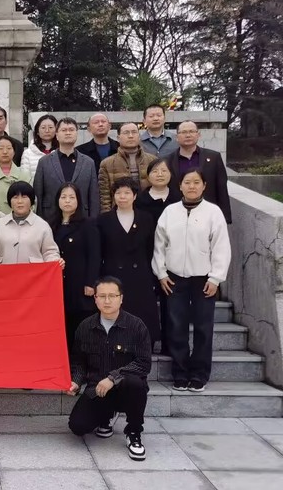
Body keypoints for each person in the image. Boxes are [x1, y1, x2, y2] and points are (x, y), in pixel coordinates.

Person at [153, 169, 231, 392]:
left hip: (203, 279)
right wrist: (161, 273)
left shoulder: (213, 212)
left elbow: (221, 247)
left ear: (204, 185)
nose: (192, 186)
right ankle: (180, 373)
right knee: (176, 326)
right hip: (174, 278)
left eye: (197, 182)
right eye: (187, 182)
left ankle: (199, 375)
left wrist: (215, 278)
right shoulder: (170, 212)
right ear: (180, 186)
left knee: (203, 327)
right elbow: (159, 245)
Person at [67, 276, 152, 462]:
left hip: (126, 388)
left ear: (121, 298)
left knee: (135, 383)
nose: (107, 301)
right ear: (95, 298)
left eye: (112, 296)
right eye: (102, 296)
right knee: (77, 426)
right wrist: (76, 381)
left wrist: (113, 378)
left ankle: (134, 433)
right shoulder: (85, 327)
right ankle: (106, 417)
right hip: (97, 389)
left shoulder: (136, 326)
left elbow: (143, 363)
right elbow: (79, 361)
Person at [97, 177, 160, 346]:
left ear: (135, 196)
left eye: (127, 193)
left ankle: (144, 345)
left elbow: (151, 248)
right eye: (118, 193)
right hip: (113, 273)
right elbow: (100, 250)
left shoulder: (146, 218)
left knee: (141, 312)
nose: (122, 197)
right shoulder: (103, 220)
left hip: (140, 274)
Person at [135, 158, 181, 354]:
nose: (160, 174)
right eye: (155, 171)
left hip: (174, 257)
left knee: (171, 303)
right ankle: (148, 341)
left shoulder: (179, 199)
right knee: (146, 302)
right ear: (148, 175)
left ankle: (171, 345)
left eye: (164, 170)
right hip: (145, 256)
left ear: (171, 174)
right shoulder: (140, 200)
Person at [51, 182, 100, 350]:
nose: (67, 201)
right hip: (58, 283)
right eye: (63, 197)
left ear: (79, 200)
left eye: (72, 197)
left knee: (79, 322)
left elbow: (94, 255)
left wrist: (91, 282)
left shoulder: (87, 224)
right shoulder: (52, 225)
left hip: (79, 282)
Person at [34, 117, 100, 225]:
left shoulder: (88, 162)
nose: (68, 133)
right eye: (64, 130)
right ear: (56, 134)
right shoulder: (44, 162)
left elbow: (93, 196)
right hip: (50, 219)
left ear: (77, 133)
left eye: (71, 130)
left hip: (82, 220)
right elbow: (38, 194)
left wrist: (93, 223)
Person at [167, 121, 232, 223]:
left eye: (192, 131)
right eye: (183, 132)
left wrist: (225, 218)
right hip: (177, 215)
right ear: (177, 137)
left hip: (208, 215)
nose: (188, 135)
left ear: (198, 134)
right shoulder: (167, 160)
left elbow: (222, 189)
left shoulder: (214, 157)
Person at [0, 181, 63, 265]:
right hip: (3, 273)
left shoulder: (42, 226)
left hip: (33, 273)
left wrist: (56, 262)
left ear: (31, 200)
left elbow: (50, 253)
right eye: (15, 197)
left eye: (24, 197)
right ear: (9, 201)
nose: (19, 201)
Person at [98, 123, 157, 212]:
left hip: (148, 210)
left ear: (139, 136)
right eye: (126, 133)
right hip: (118, 211)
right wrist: (107, 215)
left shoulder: (152, 160)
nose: (130, 136)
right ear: (118, 138)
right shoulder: (107, 163)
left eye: (134, 132)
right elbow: (104, 195)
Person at [0, 136, 33, 227]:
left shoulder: (25, 175)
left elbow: (33, 200)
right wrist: (0, 216)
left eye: (9, 148)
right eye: (1, 148)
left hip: (24, 224)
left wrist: (22, 215)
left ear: (14, 151)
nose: (5, 152)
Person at [20, 114, 58, 180]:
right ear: (37, 131)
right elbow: (24, 179)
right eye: (43, 128)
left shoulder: (61, 151)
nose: (47, 131)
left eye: (50, 127)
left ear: (57, 130)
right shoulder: (28, 154)